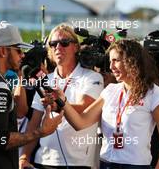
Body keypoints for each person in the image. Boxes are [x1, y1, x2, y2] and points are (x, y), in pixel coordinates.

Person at [54, 39, 159, 169]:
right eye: (110, 61)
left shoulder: (154, 93)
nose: (111, 67)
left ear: (131, 61)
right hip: (106, 164)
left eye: (116, 60)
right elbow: (80, 123)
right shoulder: (110, 90)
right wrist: (62, 101)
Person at [0, 22, 63, 169]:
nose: (22, 55)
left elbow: (12, 115)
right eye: (18, 50)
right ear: (3, 51)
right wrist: (41, 132)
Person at [19, 23, 104, 169]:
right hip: (44, 160)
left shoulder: (92, 77)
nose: (58, 47)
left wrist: (57, 105)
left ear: (76, 47)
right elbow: (34, 122)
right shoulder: (45, 79)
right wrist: (24, 156)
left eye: (64, 43)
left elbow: (85, 108)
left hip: (79, 163)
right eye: (53, 44)